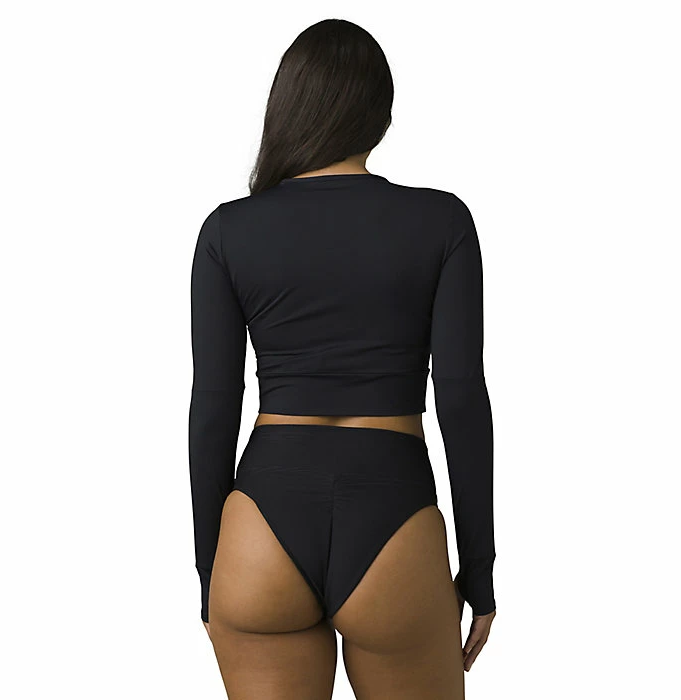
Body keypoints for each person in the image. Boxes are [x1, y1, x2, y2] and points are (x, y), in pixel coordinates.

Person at [188, 18, 496, 699]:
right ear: (380, 112)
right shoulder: (442, 222)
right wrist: (480, 566)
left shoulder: (228, 230)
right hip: (392, 511)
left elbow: (213, 407)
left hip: (261, 523)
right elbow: (461, 400)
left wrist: (212, 572)